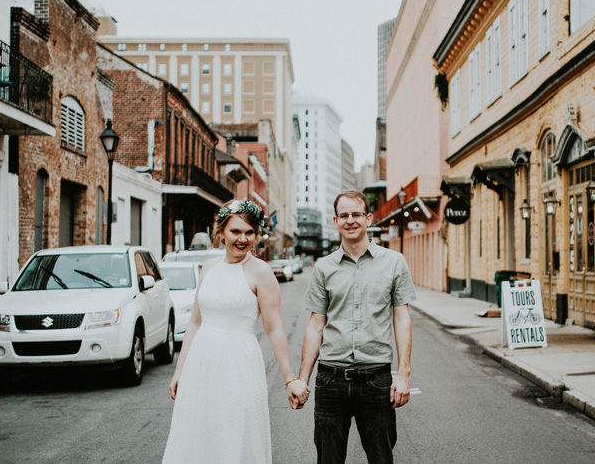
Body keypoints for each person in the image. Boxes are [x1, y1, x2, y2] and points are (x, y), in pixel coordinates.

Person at [163, 198, 309, 464]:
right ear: (220, 233)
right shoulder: (208, 268)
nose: (243, 239)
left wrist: (290, 379)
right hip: (201, 365)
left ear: (257, 235)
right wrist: (179, 370)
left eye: (249, 232)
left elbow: (275, 328)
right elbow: (195, 322)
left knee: (235, 435)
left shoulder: (261, 272)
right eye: (236, 231)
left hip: (239, 366)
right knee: (199, 437)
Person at [298, 190, 416, 464]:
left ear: (368, 219)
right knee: (328, 459)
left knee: (381, 458)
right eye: (344, 215)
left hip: (376, 380)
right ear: (335, 220)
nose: (350, 220)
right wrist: (302, 379)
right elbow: (316, 324)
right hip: (331, 379)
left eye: (356, 214)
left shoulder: (394, 262)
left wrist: (404, 374)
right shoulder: (324, 267)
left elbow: (402, 318)